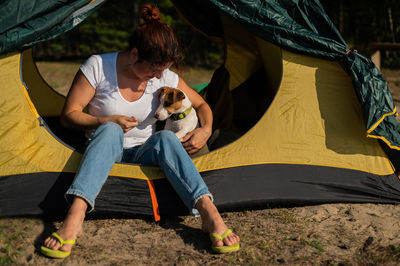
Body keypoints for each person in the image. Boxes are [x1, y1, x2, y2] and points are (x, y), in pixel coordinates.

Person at [41, 4, 240, 258]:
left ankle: (209, 212)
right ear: (134, 54)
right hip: (104, 147)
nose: (159, 76)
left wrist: (206, 128)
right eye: (154, 69)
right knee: (111, 130)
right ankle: (75, 217)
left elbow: (201, 104)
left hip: (143, 151)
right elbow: (68, 116)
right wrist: (104, 121)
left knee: (167, 137)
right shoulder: (98, 67)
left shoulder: (162, 76)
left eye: (162, 70)